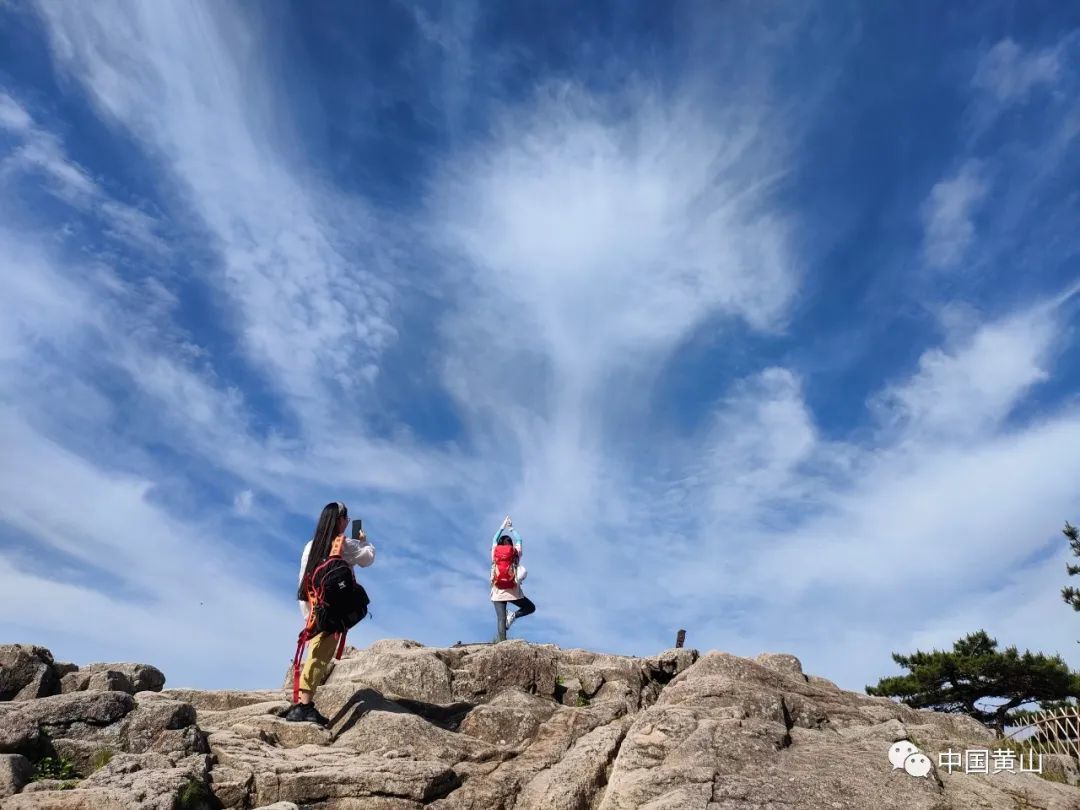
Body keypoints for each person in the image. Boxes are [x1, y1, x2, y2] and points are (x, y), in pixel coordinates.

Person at [286, 501, 374, 724]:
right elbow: (368, 558)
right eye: (346, 518)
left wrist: (308, 613)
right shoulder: (343, 544)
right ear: (340, 520)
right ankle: (303, 707)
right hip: (331, 611)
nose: (347, 521)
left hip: (312, 606)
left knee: (315, 651)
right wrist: (364, 541)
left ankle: (301, 702)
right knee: (320, 654)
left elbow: (303, 579)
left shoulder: (311, 546)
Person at [490, 515, 535, 642]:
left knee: (501, 619)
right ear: (511, 545)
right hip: (513, 590)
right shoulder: (515, 553)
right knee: (530, 608)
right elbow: (519, 539)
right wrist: (511, 528)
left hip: (497, 590)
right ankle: (514, 615)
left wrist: (502, 527)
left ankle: (502, 644)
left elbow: (494, 539)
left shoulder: (495, 552)